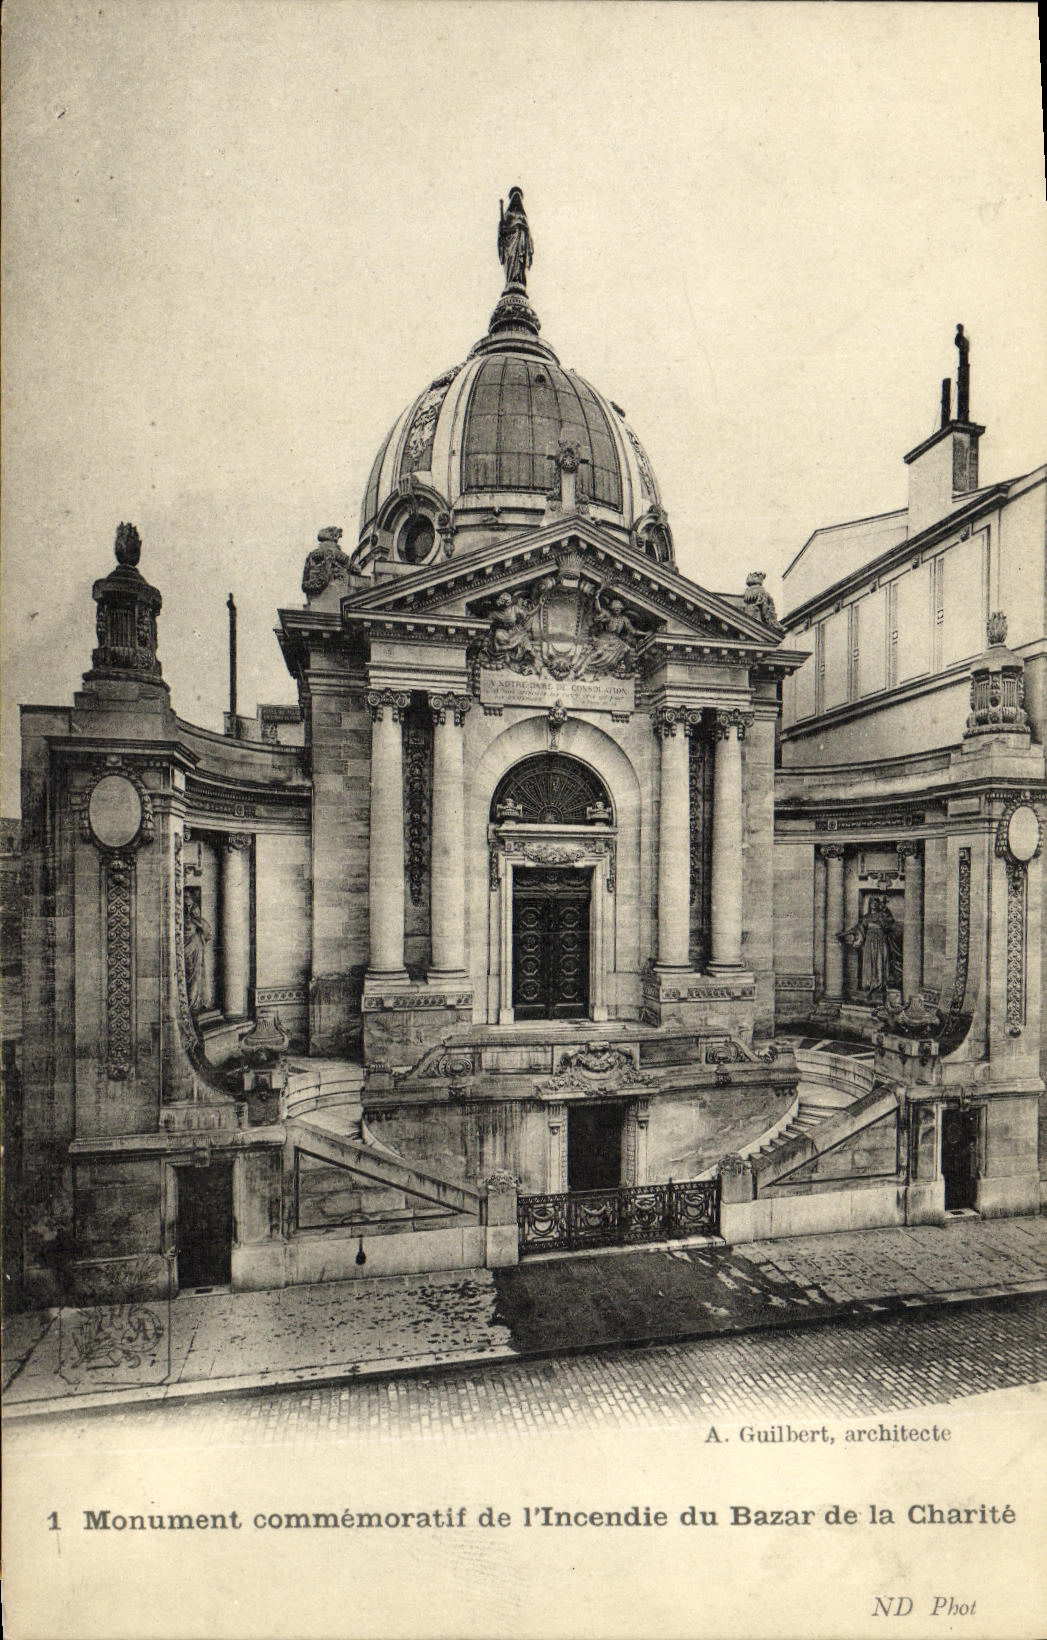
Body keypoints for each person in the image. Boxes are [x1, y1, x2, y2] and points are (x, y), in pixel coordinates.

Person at [839, 895, 900, 998]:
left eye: (876, 903)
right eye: (872, 903)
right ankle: (869, 984)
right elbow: (857, 928)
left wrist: (886, 910)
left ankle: (880, 984)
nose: (874, 905)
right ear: (870, 904)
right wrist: (844, 934)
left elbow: (890, 922)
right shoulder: (866, 917)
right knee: (869, 961)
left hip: (881, 940)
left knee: (880, 960)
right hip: (869, 941)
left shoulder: (882, 915)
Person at [184, 897, 212, 1016]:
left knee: (197, 976)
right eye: (186, 905)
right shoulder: (180, 919)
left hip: (197, 949)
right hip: (186, 951)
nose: (188, 908)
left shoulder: (197, 920)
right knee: (189, 976)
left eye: (190, 905)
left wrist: (198, 923)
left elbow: (208, 933)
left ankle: (194, 1004)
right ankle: (189, 1005)